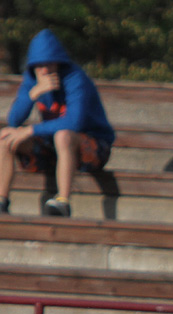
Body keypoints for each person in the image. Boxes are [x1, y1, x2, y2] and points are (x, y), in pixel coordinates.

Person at [0, 29, 115, 217]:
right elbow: (13, 120)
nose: (44, 70)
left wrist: (30, 130)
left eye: (49, 64)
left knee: (63, 135)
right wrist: (33, 95)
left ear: (59, 63)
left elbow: (74, 123)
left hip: (91, 149)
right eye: (39, 66)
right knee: (5, 136)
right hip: (52, 148)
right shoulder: (31, 79)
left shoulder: (75, 78)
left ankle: (62, 202)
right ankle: (2, 202)